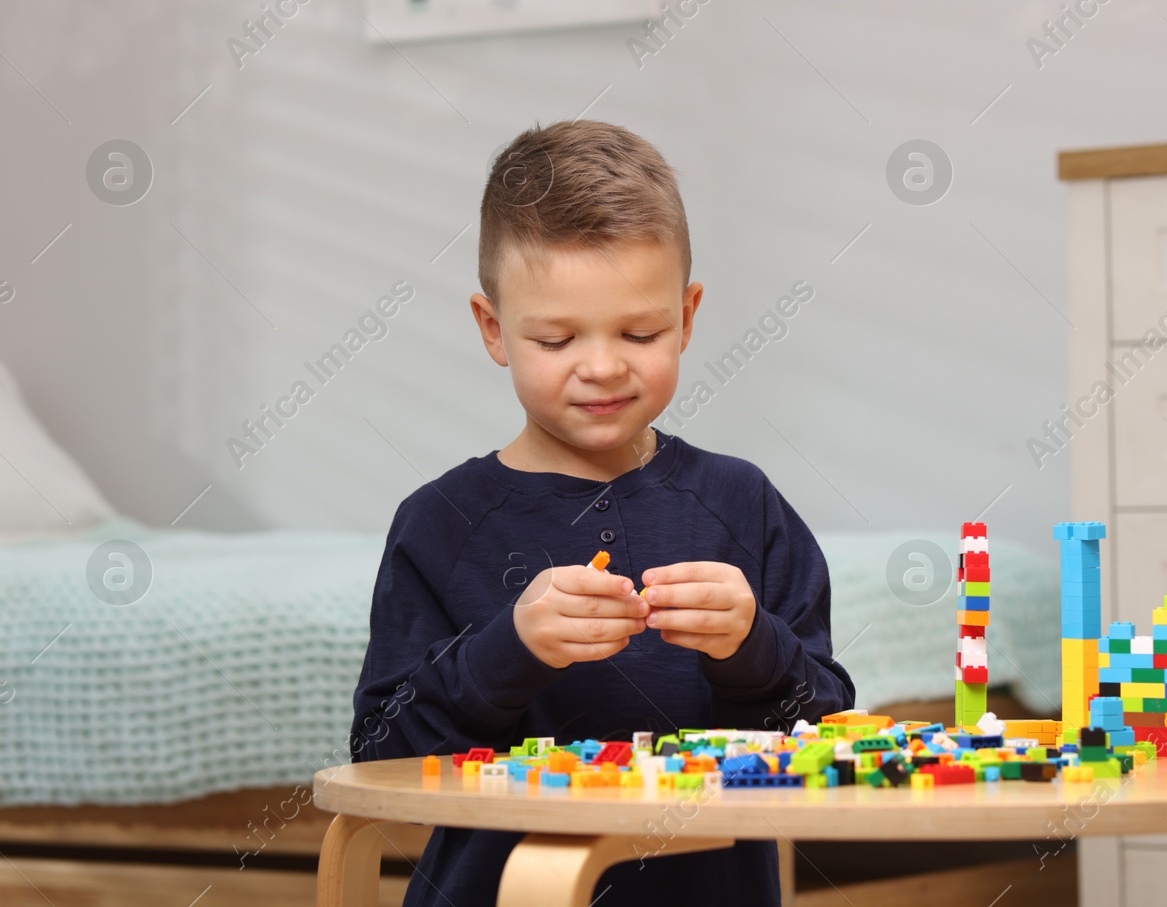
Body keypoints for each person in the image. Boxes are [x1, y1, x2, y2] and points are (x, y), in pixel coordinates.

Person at [351, 119, 856, 906]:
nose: (602, 365)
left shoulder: (741, 504)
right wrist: (508, 648)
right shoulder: (441, 524)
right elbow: (381, 755)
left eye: (640, 331)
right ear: (494, 331)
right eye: (556, 338)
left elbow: (827, 738)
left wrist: (751, 646)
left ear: (687, 317)